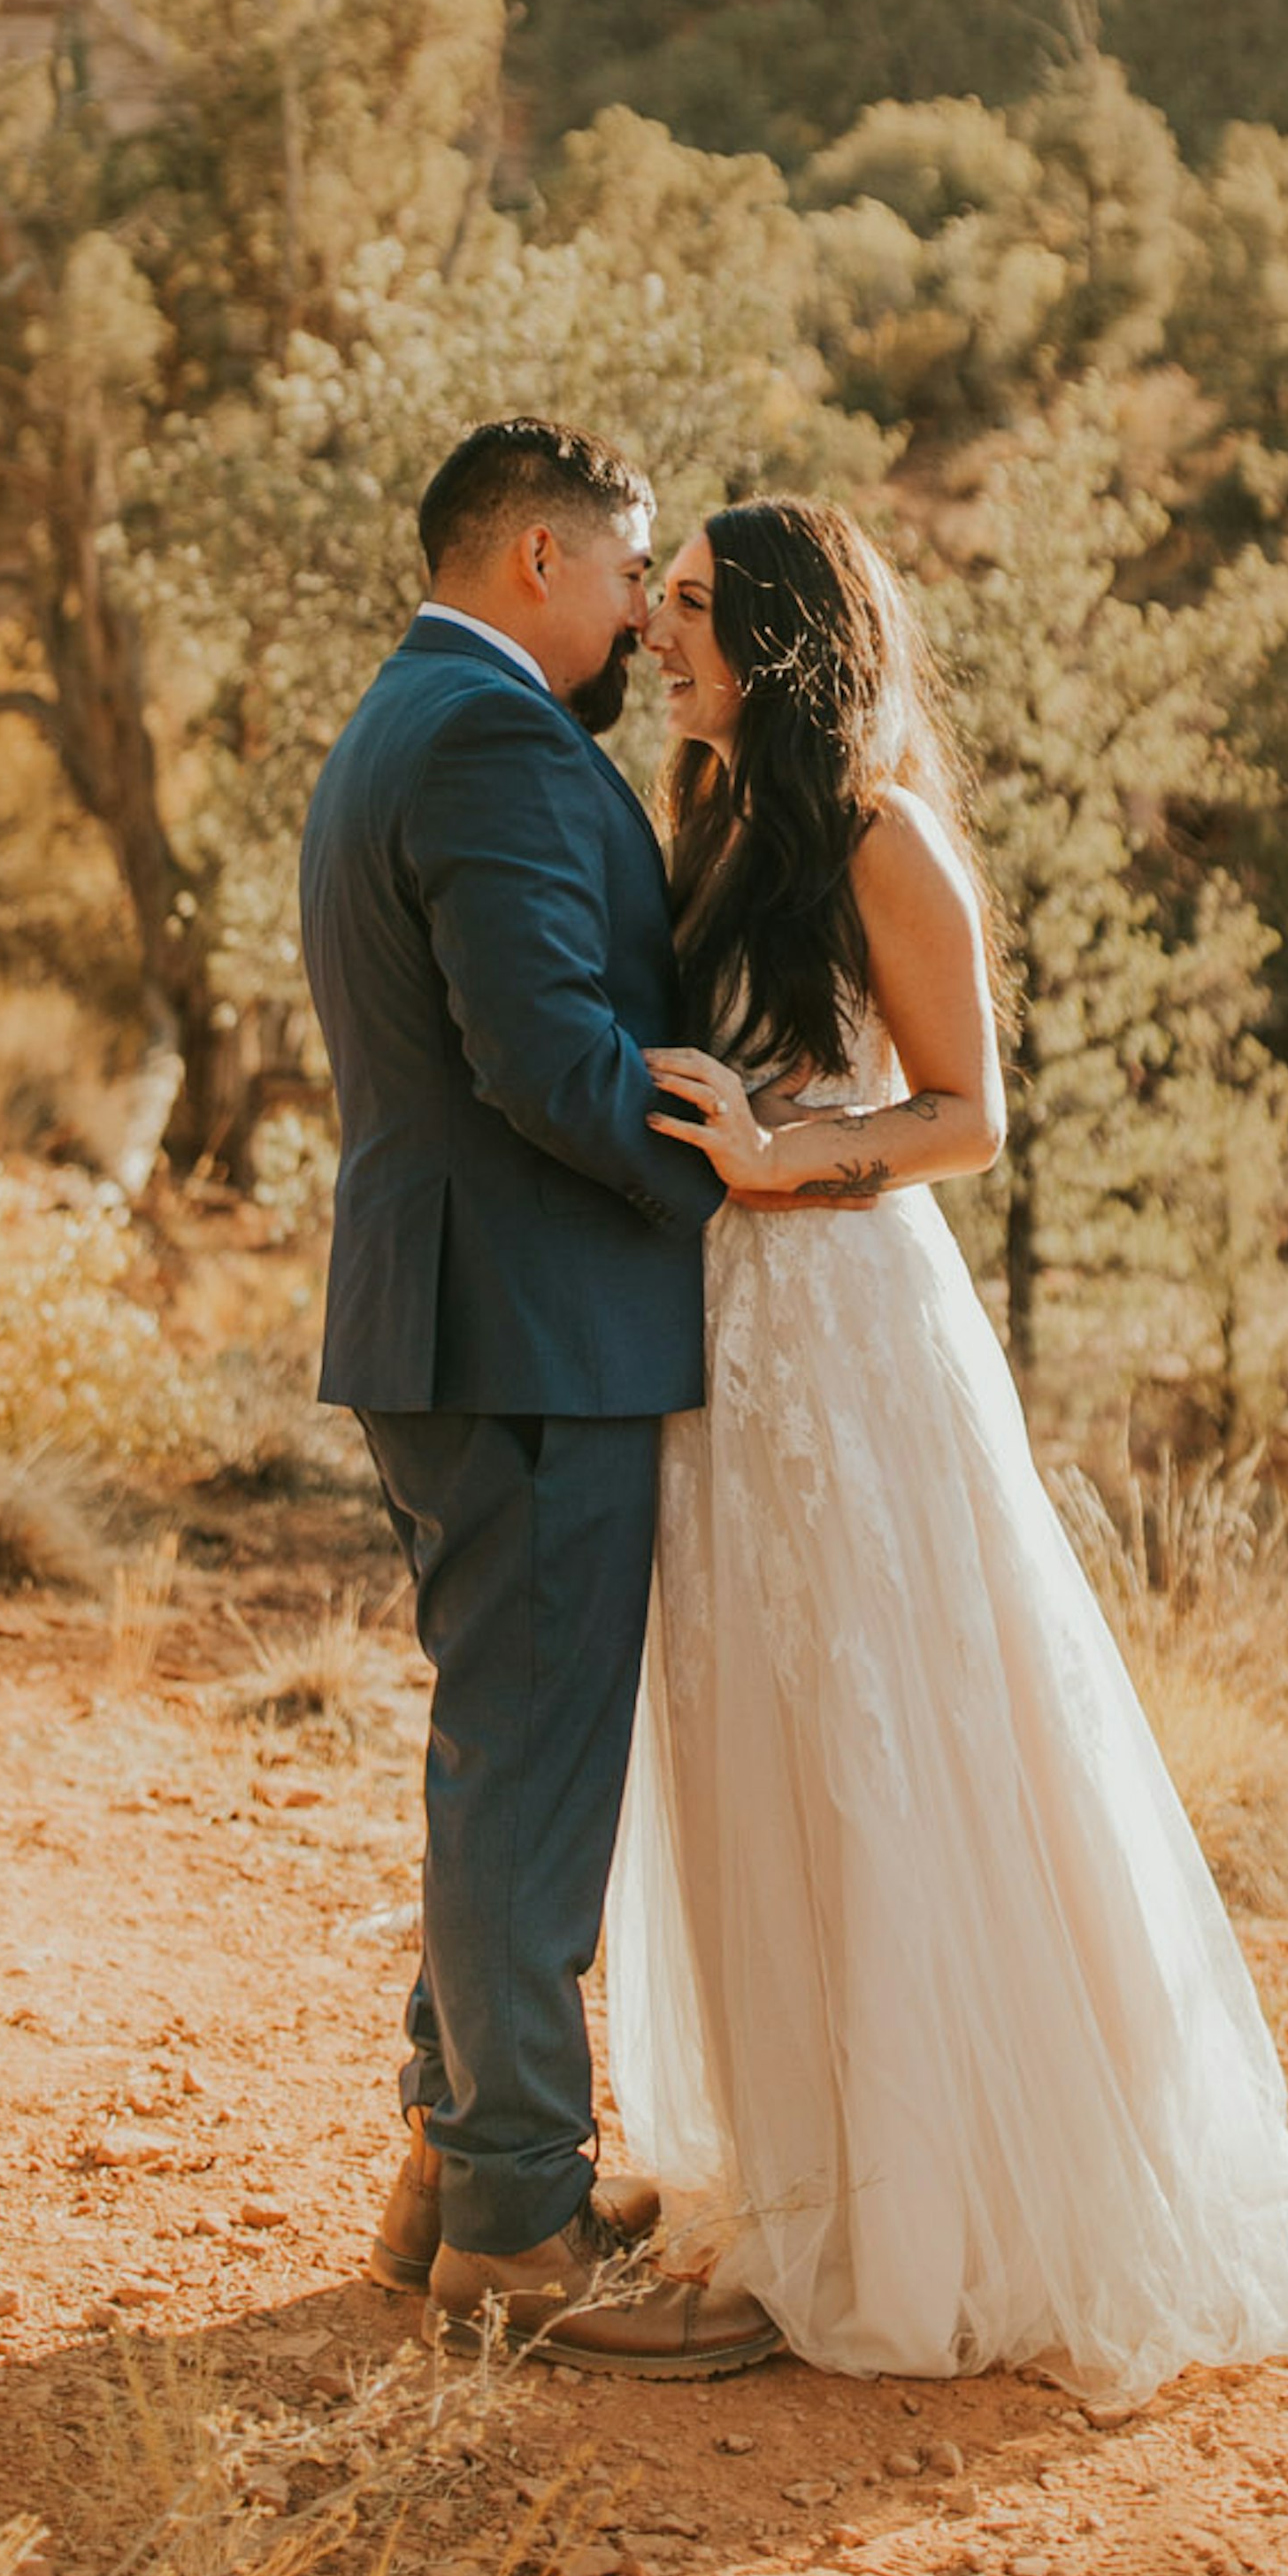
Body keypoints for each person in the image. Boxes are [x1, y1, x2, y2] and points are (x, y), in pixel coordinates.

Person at [608, 494, 1288, 2411]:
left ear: (778, 637)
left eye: (690, 607)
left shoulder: (881, 833)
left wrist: (777, 1157)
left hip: (851, 1336)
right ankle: (817, 2171)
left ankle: (922, 2216)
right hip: (725, 1346)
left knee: (891, 1733)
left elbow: (967, 1116)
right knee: (763, 1736)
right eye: (654, 602)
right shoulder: (711, 816)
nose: (657, 634)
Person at [301, 415, 778, 2381]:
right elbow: (541, 1054)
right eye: (629, 570)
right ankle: (516, 2222)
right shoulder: (492, 738)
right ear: (536, 562)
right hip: (526, 1331)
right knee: (527, 1766)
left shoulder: (408, 718)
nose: (643, 612)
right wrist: (742, 1192)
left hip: (464, 1320)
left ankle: (452, 2163)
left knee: (504, 1748)